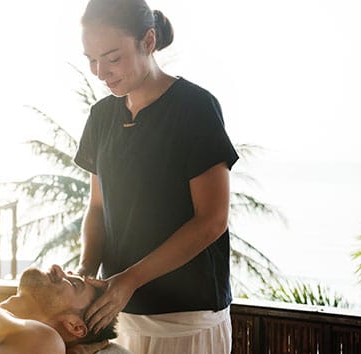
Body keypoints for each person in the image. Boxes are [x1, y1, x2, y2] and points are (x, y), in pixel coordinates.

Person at [72, 0, 239, 353]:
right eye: (91, 59)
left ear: (148, 41)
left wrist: (129, 280)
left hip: (186, 320)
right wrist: (86, 271)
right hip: (117, 316)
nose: (100, 72)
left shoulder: (194, 108)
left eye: (112, 58)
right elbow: (98, 208)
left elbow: (212, 220)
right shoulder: (102, 116)